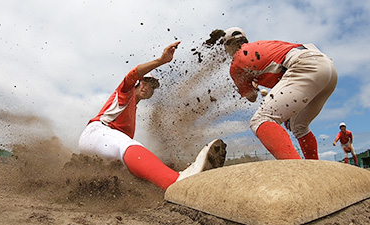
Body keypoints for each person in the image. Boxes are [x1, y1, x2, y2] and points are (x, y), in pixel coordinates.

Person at [78, 41, 226, 190]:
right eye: (144, 82)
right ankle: (175, 180)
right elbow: (132, 74)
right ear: (137, 82)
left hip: (103, 150)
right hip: (96, 133)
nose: (147, 86)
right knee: (127, 145)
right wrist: (161, 61)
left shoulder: (132, 110)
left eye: (152, 85)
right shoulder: (125, 92)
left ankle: (174, 177)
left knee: (135, 167)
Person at [214, 27, 337, 160]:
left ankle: (297, 171)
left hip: (304, 66)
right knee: (299, 126)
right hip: (327, 66)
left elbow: (252, 97)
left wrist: (253, 87)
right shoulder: (261, 44)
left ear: (228, 45)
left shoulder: (236, 64)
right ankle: (315, 168)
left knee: (260, 119)